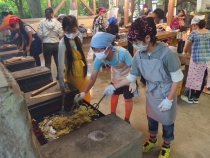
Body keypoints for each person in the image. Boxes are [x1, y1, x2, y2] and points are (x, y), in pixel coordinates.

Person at [103, 16, 183, 158]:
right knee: (151, 118)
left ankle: (166, 145)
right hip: (152, 92)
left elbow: (177, 78)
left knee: (167, 122)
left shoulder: (167, 53)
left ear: (147, 37)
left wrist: (169, 99)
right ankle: (152, 140)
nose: (134, 45)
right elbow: (131, 77)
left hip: (166, 92)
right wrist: (114, 86)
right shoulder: (140, 55)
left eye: (136, 42)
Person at [74, 32, 137, 123]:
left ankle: (127, 120)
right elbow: (92, 78)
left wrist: (133, 81)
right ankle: (112, 115)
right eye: (94, 50)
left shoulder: (123, 53)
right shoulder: (100, 58)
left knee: (127, 98)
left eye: (99, 51)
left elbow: (134, 69)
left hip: (128, 76)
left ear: (109, 48)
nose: (97, 53)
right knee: (114, 95)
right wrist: (84, 92)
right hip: (116, 75)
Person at [58, 15, 90, 102]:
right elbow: (60, 64)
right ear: (63, 29)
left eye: (74, 30)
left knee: (85, 96)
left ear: (77, 28)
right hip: (72, 74)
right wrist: (61, 82)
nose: (71, 33)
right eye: (68, 31)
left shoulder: (78, 38)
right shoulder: (62, 43)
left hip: (82, 73)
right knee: (76, 97)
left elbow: (82, 55)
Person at [181, 15, 210, 104]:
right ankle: (196, 97)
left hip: (196, 60)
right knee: (202, 79)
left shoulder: (194, 34)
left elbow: (186, 49)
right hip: (207, 61)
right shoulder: (209, 33)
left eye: (192, 25)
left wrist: (185, 50)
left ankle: (189, 98)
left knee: (192, 78)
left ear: (195, 25)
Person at [38, 7, 63, 79]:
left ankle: (49, 78)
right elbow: (61, 34)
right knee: (58, 62)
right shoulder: (57, 22)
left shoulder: (41, 22)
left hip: (46, 44)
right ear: (52, 13)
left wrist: (44, 39)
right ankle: (59, 76)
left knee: (47, 62)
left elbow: (40, 34)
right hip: (56, 43)